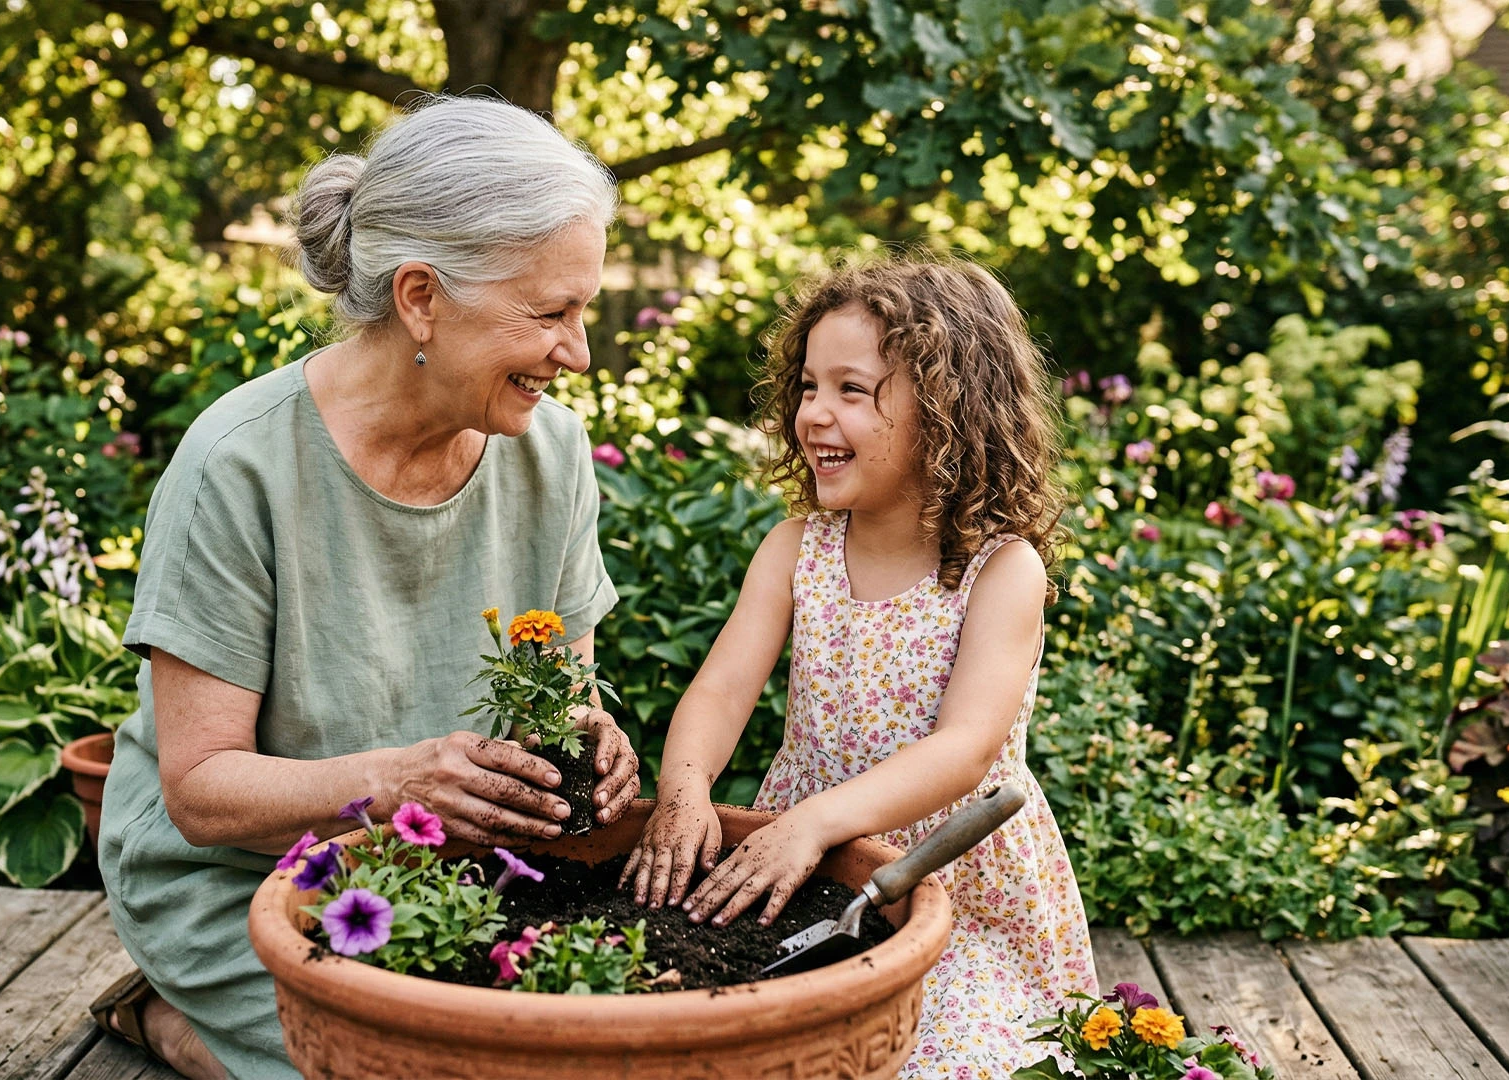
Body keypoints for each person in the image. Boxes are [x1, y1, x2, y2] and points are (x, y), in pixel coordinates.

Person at [90, 96, 641, 1080]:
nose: (579, 352)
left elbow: (562, 695)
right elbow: (202, 794)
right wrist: (393, 785)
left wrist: (589, 740)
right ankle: (175, 1016)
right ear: (421, 297)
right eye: (550, 313)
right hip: (247, 883)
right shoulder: (241, 464)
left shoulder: (550, 453)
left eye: (583, 311)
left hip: (442, 875)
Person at [622, 256, 1098, 1078]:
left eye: (852, 390)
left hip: (952, 885)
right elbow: (722, 689)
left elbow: (966, 749)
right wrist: (685, 791)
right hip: (805, 871)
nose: (814, 414)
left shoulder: (999, 570)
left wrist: (812, 821)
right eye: (808, 386)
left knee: (950, 1061)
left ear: (948, 410)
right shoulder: (794, 550)